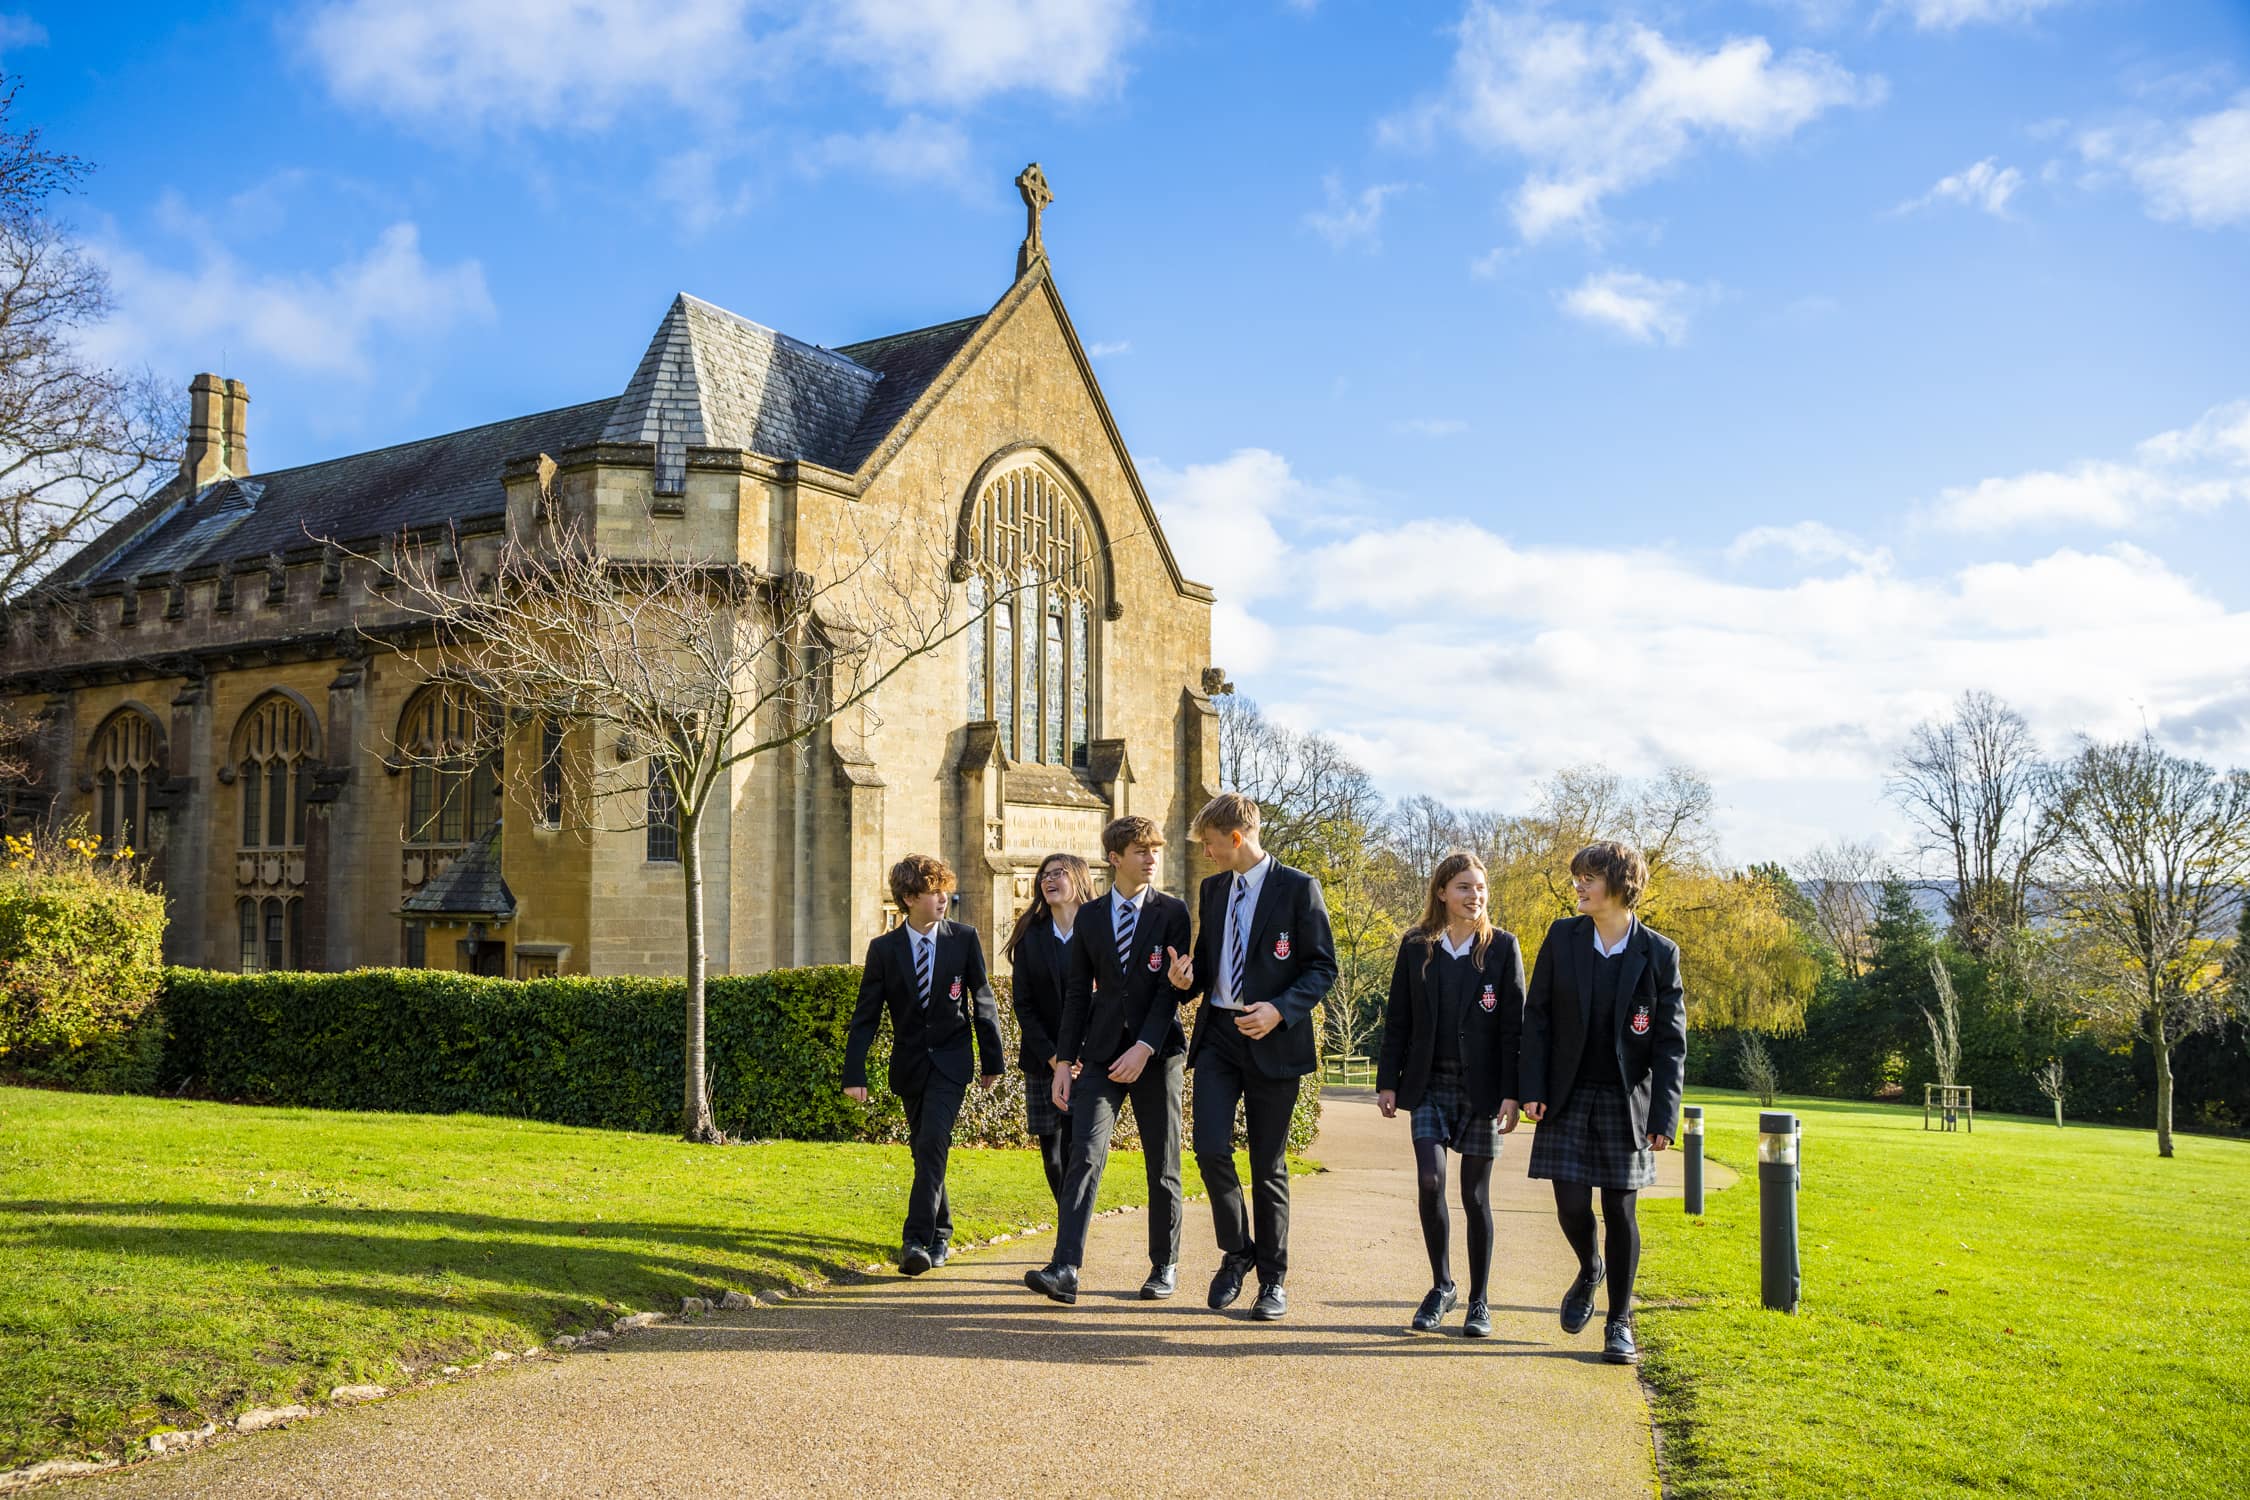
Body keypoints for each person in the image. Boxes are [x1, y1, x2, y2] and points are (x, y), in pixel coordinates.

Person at [1520, 840, 1688, 1365]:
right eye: (1578, 877)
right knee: (1571, 1203)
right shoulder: (1562, 936)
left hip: (1627, 1102)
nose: (1579, 885)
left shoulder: (1659, 954)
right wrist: (1534, 1087)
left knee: (1619, 1208)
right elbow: (1538, 1016)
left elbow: (1669, 1043)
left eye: (1589, 877)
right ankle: (1589, 1266)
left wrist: (1664, 1115)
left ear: (1620, 885)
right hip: (1567, 1096)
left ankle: (1618, 1323)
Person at [1171, 792, 1337, 1321]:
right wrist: (1186, 979)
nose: (1209, 856)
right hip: (1219, 1035)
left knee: (1268, 1165)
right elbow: (1209, 963)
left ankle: (1273, 1281)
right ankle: (1236, 1249)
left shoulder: (1298, 888)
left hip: (1274, 1040)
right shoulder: (1213, 889)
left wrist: (1279, 1011)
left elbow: (1321, 969)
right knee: (1209, 1147)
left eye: (1213, 846)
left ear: (1237, 838)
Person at [1023, 816, 1194, 1304]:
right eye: (1141, 850)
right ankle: (1066, 1268)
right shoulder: (1093, 916)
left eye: (1155, 849)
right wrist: (1062, 1061)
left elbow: (1170, 991)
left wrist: (1144, 1047)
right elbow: (1079, 992)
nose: (1152, 857)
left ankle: (1164, 1265)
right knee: (1084, 1155)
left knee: (1162, 1162)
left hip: (1156, 1055)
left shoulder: (1173, 911)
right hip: (1099, 1055)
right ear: (1115, 858)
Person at [1375, 851, 1525, 1338]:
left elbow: (1513, 1029)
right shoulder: (1417, 946)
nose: (1474, 896)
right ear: (1442, 892)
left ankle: (1479, 1301)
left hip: (1482, 1092)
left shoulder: (1502, 948)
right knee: (1430, 1182)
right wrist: (1388, 1081)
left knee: (1475, 1196)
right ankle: (1442, 1285)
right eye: (1463, 887)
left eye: (1480, 888)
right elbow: (1398, 1018)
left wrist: (1512, 1093)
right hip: (1429, 1085)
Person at [842, 854, 1005, 1277]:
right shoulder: (884, 950)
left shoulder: (963, 939)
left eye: (944, 888)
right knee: (925, 1149)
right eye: (934, 891)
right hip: (910, 1066)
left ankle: (914, 1239)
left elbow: (982, 1000)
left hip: (952, 1063)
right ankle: (943, 1231)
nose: (943, 897)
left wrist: (993, 1059)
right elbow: (866, 1015)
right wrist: (854, 1073)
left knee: (932, 1142)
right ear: (910, 898)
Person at [1003, 853, 1096, 1213]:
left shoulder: (1097, 931)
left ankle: (1072, 1237)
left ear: (1079, 880)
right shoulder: (1031, 936)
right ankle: (1068, 1227)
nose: (1049, 879)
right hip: (1043, 1061)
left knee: (1078, 1151)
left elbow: (1106, 1001)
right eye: (1044, 875)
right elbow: (1023, 1004)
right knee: (1053, 1156)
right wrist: (1055, 1056)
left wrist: (1079, 1057)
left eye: (1059, 873)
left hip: (1086, 1063)